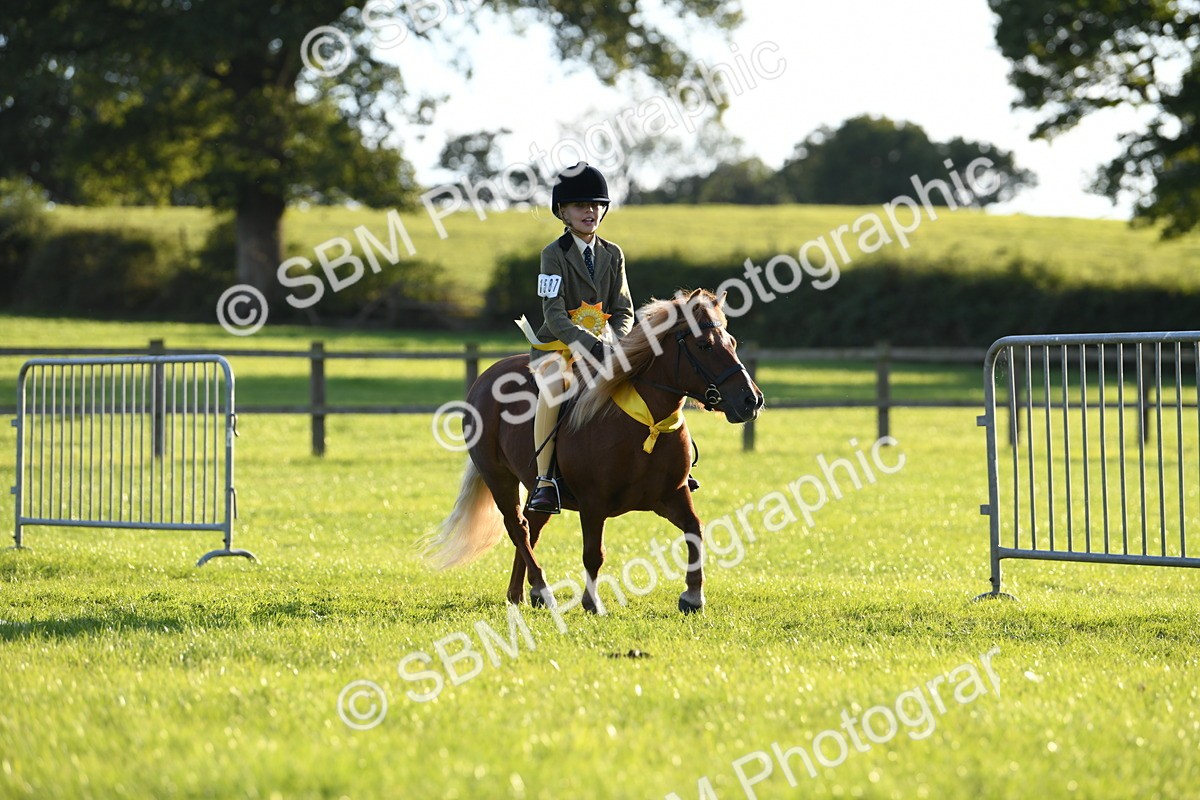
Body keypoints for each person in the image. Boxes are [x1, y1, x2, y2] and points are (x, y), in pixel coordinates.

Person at [523, 163, 634, 514]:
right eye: (581, 205)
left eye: (597, 205)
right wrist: (589, 344)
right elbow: (553, 313)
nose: (591, 211)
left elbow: (624, 309)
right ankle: (545, 481)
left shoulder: (614, 254)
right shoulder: (552, 254)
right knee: (554, 388)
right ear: (563, 212)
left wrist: (615, 342)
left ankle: (670, 466)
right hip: (557, 346)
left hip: (607, 345)